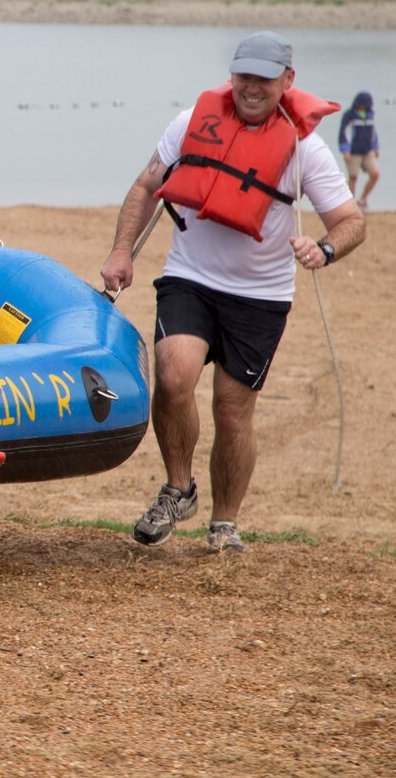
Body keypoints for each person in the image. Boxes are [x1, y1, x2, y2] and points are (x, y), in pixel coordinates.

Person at [100, 31, 365, 554]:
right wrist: (122, 251)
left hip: (261, 296)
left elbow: (350, 221)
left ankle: (224, 524)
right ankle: (178, 489)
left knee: (231, 409)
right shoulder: (190, 121)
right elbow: (145, 185)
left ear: (287, 81)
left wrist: (326, 249)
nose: (251, 87)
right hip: (190, 277)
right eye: (244, 75)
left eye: (264, 78)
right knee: (173, 374)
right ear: (233, 74)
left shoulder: (305, 148)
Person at [338, 90, 379, 208]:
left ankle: (363, 199)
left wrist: (375, 146)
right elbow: (343, 133)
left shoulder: (370, 114)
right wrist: (345, 150)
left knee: (375, 174)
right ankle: (350, 204)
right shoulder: (349, 115)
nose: (364, 106)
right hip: (353, 151)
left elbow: (373, 132)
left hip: (368, 150)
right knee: (353, 177)